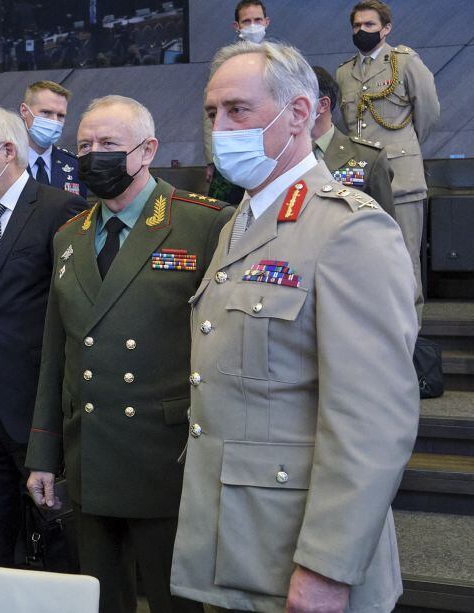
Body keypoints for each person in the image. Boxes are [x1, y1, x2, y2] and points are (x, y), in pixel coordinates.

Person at [170, 40, 419, 613]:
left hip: (303, 561)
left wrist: (327, 569)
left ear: (301, 114)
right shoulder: (240, 223)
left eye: (238, 110)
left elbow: (371, 421)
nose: (220, 128)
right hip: (236, 545)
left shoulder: (348, 230)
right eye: (212, 114)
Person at [26, 95, 230, 613]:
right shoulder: (69, 236)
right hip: (90, 453)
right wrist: (43, 455)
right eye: (85, 145)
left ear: (148, 149)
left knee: (174, 600)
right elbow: (57, 351)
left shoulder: (203, 223)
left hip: (166, 458)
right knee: (102, 598)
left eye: (110, 145)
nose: (95, 155)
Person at [0, 107, 86, 566]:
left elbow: (70, 311)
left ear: (7, 151)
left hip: (36, 404)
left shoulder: (58, 209)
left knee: (50, 531)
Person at [335, 0, 438, 319]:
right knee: (367, 258)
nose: (362, 31)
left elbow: (429, 113)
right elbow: (349, 126)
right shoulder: (344, 72)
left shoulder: (405, 62)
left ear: (386, 28)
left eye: (369, 25)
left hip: (400, 179)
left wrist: (404, 148)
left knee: (406, 259)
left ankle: (410, 337)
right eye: (356, 26)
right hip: (361, 183)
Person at [204, 0, 270, 206]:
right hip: (232, 150)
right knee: (223, 211)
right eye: (247, 21)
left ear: (266, 22)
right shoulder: (225, 63)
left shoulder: (277, 60)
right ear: (237, 26)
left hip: (267, 150)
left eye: (257, 20)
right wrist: (211, 158)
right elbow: (210, 115)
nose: (253, 25)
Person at [312, 66, 394, 218]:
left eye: (299, 99)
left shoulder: (368, 158)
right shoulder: (279, 157)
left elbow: (384, 227)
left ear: (323, 104)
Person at [20, 81, 85, 197]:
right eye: (46, 112)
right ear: (24, 111)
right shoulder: (4, 162)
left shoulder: (75, 165)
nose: (54, 121)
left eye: (60, 116)